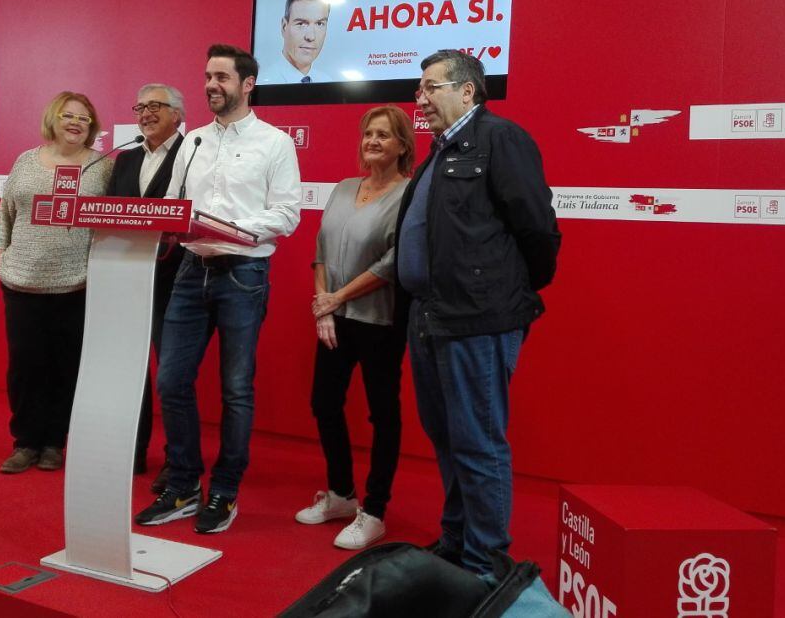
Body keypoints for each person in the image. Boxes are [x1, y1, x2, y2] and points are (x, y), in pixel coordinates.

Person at [394, 50, 561, 577]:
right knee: (447, 438)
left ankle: (485, 565)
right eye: (419, 90)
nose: (419, 100)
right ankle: (457, 538)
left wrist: (499, 293)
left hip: (477, 318)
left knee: (478, 440)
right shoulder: (440, 151)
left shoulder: (500, 139)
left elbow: (537, 227)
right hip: (431, 316)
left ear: (467, 92)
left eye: (430, 88)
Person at [134, 43, 301, 533]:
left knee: (235, 390)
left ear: (247, 84)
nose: (212, 85)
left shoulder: (275, 142)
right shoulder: (194, 142)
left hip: (243, 273)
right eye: (208, 76)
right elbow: (172, 202)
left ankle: (225, 490)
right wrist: (165, 222)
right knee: (170, 380)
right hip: (190, 271)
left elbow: (287, 212)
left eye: (222, 78)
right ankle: (184, 484)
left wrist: (233, 230)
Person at [296, 106, 415, 550]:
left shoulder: (409, 194)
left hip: (380, 320)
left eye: (384, 135)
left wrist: (337, 298)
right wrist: (324, 308)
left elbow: (394, 261)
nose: (373, 141)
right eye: (369, 133)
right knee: (324, 403)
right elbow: (321, 247)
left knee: (382, 415)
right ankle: (342, 495)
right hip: (334, 320)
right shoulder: (345, 188)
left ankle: (375, 510)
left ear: (403, 144)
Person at [0, 91, 112, 474]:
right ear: (53, 119)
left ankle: (54, 443)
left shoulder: (102, 167)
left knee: (65, 367)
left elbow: (112, 223)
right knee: (25, 366)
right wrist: (0, 258)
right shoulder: (26, 161)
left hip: (75, 285)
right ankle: (25, 442)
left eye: (84, 119)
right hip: (21, 282)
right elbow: (5, 214)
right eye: (68, 115)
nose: (76, 123)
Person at [107, 83, 186, 484]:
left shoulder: (194, 154)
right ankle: (130, 451)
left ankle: (177, 461)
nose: (145, 113)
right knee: (129, 371)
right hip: (125, 279)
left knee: (170, 375)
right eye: (140, 106)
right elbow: (107, 214)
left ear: (178, 115)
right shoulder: (125, 158)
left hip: (173, 282)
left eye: (156, 106)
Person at [257, 0, 333, 84]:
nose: (311, 36)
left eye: (319, 23)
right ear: (284, 26)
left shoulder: (327, 81)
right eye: (301, 23)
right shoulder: (262, 82)